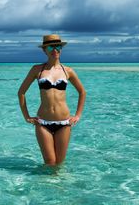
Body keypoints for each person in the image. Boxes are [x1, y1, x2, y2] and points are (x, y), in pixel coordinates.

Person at [17, 34, 87, 166]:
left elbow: (82, 92)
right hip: (43, 122)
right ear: (44, 50)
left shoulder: (68, 71)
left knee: (59, 163)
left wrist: (78, 115)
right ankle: (44, 185)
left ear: (61, 48)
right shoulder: (37, 69)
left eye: (58, 47)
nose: (55, 50)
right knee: (50, 161)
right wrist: (26, 117)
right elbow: (21, 92)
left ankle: (58, 186)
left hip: (64, 122)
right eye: (50, 48)